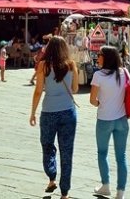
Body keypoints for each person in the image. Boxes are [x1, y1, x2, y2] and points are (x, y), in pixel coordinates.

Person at [29, 35, 78, 199]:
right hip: (68, 112)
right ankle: (65, 193)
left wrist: (33, 112)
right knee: (67, 152)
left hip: (48, 112)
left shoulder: (43, 65)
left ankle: (52, 177)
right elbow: (76, 89)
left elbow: (38, 91)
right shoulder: (71, 65)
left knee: (47, 145)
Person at [89, 45, 128, 199]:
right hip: (122, 120)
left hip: (104, 119)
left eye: (99, 54)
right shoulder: (124, 72)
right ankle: (120, 193)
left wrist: (100, 104)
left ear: (106, 57)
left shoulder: (98, 75)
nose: (97, 57)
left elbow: (92, 100)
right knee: (121, 156)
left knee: (102, 153)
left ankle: (105, 186)